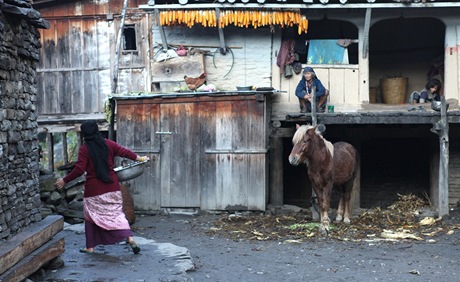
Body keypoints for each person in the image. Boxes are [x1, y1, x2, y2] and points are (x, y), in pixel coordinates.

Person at [54, 121, 150, 254]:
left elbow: (79, 169)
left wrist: (65, 180)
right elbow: (124, 152)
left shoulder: (84, 149)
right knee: (117, 214)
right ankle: (130, 238)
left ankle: (90, 247)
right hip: (112, 187)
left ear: (84, 134)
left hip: (94, 191)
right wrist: (140, 158)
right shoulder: (108, 144)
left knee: (90, 217)